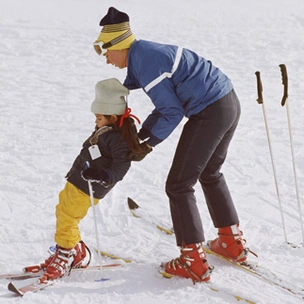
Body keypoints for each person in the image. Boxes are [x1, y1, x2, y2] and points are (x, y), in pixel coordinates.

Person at [93, 7, 253, 284]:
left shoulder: (146, 61)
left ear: (118, 45)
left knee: (178, 185)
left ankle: (193, 261)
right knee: (210, 173)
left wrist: (146, 142)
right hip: (228, 102)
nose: (106, 59)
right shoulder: (146, 55)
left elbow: (171, 112)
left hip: (211, 111)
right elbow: (169, 106)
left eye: (105, 51)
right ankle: (230, 242)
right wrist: (143, 136)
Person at [41, 78, 143, 280]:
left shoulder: (119, 139)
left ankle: (66, 254)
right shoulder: (108, 130)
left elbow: (121, 168)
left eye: (98, 118)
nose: (95, 121)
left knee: (68, 218)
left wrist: (103, 175)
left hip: (89, 186)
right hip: (78, 180)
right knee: (63, 211)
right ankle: (76, 251)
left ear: (113, 116)